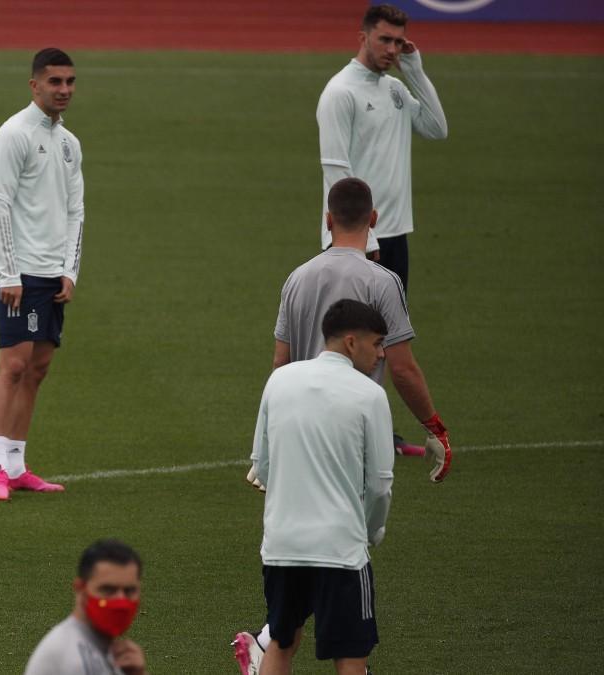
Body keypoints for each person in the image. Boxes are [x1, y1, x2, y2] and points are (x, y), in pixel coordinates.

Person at [233, 178, 450, 675]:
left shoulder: (297, 278)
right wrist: (433, 426)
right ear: (374, 220)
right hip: (347, 442)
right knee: (351, 648)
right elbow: (402, 369)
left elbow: (279, 364)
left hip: (291, 442)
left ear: (328, 220)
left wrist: (267, 449)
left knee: (285, 633)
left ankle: (264, 641)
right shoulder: (384, 285)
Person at [250, 299, 395, 675]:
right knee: (351, 656)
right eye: (377, 343)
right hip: (340, 549)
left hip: (282, 545)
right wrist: (368, 532)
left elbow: (260, 465)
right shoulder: (370, 395)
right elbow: (379, 486)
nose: (381, 354)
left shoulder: (279, 380)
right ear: (351, 342)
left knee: (281, 644)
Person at [0, 47, 85, 501]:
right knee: (14, 366)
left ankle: (19, 466)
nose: (63, 90)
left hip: (52, 275)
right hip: (18, 273)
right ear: (34, 85)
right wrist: (9, 271)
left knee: (38, 369)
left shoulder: (69, 143)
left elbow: (75, 210)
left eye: (69, 82)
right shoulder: (13, 134)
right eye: (55, 82)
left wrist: (70, 271)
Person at [316, 3, 447, 291]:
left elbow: (437, 128)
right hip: (354, 239)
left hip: (396, 234)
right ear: (363, 38)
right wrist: (366, 237)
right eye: (384, 39)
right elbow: (335, 168)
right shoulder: (340, 92)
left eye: (398, 42)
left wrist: (413, 69)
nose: (392, 49)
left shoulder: (394, 89)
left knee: (390, 334)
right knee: (349, 334)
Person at [24, 539, 147, 675]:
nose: (120, 601)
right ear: (80, 589)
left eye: (129, 591)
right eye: (108, 590)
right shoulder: (68, 656)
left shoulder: (105, 649)